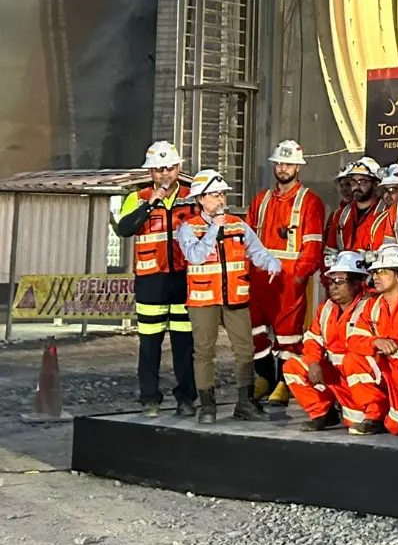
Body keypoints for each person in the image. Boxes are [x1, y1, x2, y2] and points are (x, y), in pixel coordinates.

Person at [176, 170, 283, 424]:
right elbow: (196, 257)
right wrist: (214, 229)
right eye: (214, 195)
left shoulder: (237, 223)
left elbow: (256, 250)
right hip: (204, 300)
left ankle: (245, 403)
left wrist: (271, 262)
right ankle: (208, 406)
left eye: (222, 194)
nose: (221, 200)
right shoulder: (188, 228)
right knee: (204, 352)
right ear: (200, 199)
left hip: (235, 298)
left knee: (245, 351)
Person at [114, 141, 196, 417]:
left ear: (179, 169)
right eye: (159, 170)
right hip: (151, 281)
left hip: (184, 280)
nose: (165, 175)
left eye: (170, 168)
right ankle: (150, 398)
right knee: (149, 343)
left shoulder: (192, 197)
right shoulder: (136, 198)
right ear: (151, 173)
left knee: (184, 345)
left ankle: (186, 397)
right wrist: (150, 205)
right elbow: (124, 229)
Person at [246, 139, 326, 405]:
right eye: (279, 163)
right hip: (258, 279)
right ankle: (264, 377)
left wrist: (300, 277)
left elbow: (312, 246)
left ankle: (285, 382)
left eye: (288, 163)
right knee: (254, 331)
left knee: (288, 337)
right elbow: (245, 239)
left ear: (298, 167)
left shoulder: (310, 201)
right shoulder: (261, 199)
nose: (283, 168)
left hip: (288, 280)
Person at [284, 251, 382, 433]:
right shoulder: (326, 308)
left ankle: (374, 414)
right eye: (331, 282)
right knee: (292, 366)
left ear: (357, 283)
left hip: (362, 377)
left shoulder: (371, 306)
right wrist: (313, 362)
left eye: (339, 281)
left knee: (355, 422)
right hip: (336, 374)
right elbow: (313, 339)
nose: (333, 287)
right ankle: (322, 413)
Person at [350, 241, 398, 435]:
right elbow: (354, 339)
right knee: (353, 359)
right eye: (375, 272)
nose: (375, 277)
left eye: (382, 272)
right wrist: (375, 342)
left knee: (396, 426)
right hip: (387, 370)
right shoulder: (371, 306)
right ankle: (375, 414)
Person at [327, 157, 383, 253]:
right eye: (353, 181)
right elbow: (330, 250)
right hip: (344, 266)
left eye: (362, 181)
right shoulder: (341, 215)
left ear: (375, 184)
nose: (356, 186)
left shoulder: (386, 213)